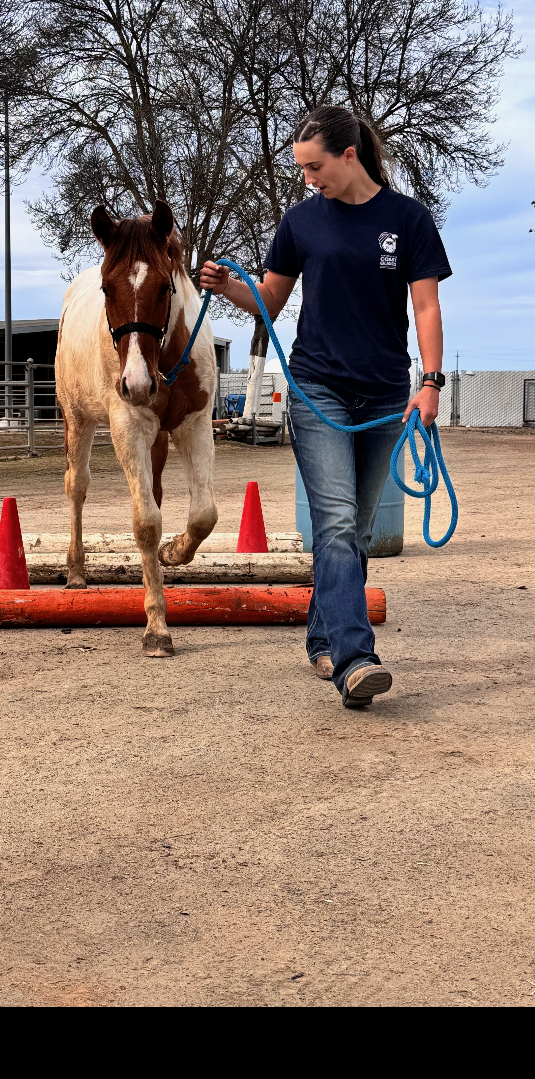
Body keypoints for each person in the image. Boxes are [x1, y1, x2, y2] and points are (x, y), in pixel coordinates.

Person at [200, 104, 451, 710]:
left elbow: (425, 309)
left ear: (349, 155)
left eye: (315, 167)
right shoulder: (300, 223)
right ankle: (354, 659)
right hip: (318, 390)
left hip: (387, 392)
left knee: (357, 531)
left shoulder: (408, 220)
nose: (309, 180)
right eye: (302, 171)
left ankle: (322, 633)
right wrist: (224, 286)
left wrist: (431, 382)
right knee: (336, 524)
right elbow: (267, 299)